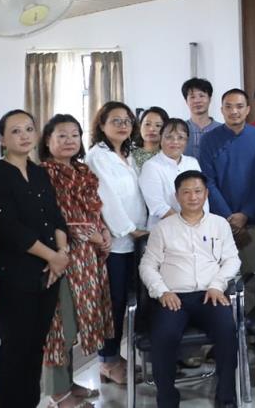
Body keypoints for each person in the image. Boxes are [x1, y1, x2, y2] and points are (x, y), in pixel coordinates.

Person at [0, 110, 70, 407]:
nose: (24, 135)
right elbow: (9, 229)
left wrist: (62, 254)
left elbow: (55, 216)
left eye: (29, 129)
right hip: (16, 275)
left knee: (35, 347)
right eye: (16, 131)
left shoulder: (39, 172)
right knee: (16, 347)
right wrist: (53, 256)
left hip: (49, 273)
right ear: (2, 139)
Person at [138, 170, 240, 408]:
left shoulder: (219, 224)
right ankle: (167, 400)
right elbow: (147, 265)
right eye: (186, 192)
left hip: (210, 295)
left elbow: (232, 260)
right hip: (174, 297)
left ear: (206, 194)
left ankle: (226, 398)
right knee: (163, 336)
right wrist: (162, 291)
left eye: (197, 191)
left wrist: (217, 285)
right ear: (177, 196)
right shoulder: (163, 228)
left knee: (227, 331)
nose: (193, 197)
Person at [39, 114, 112, 408]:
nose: (69, 140)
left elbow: (94, 210)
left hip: (88, 259)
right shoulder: (43, 173)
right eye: (62, 135)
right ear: (48, 141)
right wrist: (88, 233)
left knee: (78, 324)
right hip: (61, 257)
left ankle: (68, 383)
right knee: (61, 326)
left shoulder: (83, 171)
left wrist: (103, 230)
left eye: (74, 134)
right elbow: (52, 217)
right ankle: (57, 393)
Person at [86, 101, 149, 383]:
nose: (123, 125)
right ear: (102, 125)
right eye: (116, 120)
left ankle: (116, 356)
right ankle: (107, 361)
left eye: (127, 120)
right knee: (113, 302)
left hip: (138, 240)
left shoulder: (129, 154)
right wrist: (129, 229)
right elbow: (105, 197)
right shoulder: (97, 156)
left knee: (128, 300)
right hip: (116, 241)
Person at [200, 89, 255, 253]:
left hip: (254, 219)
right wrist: (228, 216)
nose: (234, 111)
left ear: (248, 109)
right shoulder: (208, 140)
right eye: (228, 106)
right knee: (218, 266)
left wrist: (246, 213)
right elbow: (207, 180)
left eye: (239, 106)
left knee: (252, 266)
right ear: (221, 110)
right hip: (219, 221)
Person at [140, 118, 203, 229]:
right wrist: (187, 225)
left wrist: (201, 223)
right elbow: (158, 206)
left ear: (187, 141)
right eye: (169, 137)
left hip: (197, 228)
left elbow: (202, 198)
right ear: (161, 138)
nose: (175, 142)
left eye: (180, 137)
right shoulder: (151, 166)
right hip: (164, 230)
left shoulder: (192, 163)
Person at [182, 77, 223, 159]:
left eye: (201, 96)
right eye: (192, 97)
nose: (197, 101)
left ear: (210, 99)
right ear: (186, 101)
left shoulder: (221, 130)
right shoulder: (180, 129)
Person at [131, 106, 168, 171]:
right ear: (140, 126)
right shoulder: (129, 155)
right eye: (147, 124)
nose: (151, 129)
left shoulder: (169, 156)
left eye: (158, 125)